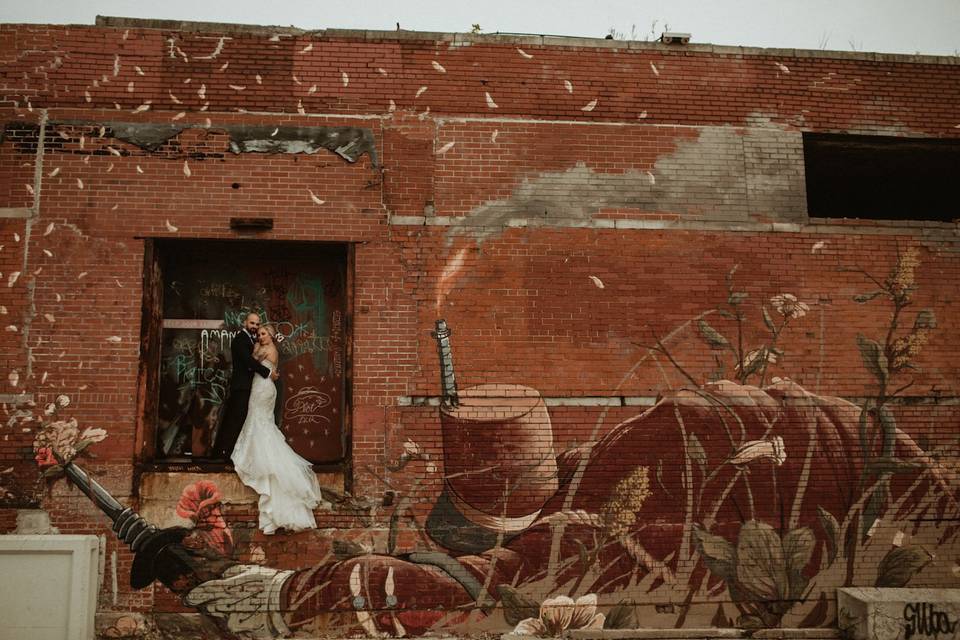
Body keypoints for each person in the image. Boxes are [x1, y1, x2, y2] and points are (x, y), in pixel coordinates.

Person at [231, 324, 325, 534]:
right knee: (260, 421)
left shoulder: (266, 349)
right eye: (259, 333)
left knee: (259, 421)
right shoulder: (269, 348)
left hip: (263, 388)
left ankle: (260, 456)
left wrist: (253, 345)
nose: (260, 336)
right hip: (264, 386)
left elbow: (251, 361)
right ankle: (259, 454)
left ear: (271, 336)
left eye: (264, 333)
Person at [212, 312, 278, 459]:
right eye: (252, 323)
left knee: (238, 419)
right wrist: (268, 372)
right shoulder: (240, 340)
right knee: (235, 419)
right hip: (241, 386)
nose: (254, 326)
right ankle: (223, 453)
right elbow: (249, 362)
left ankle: (226, 452)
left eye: (256, 324)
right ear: (245, 323)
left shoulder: (252, 340)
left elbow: (255, 360)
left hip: (250, 386)